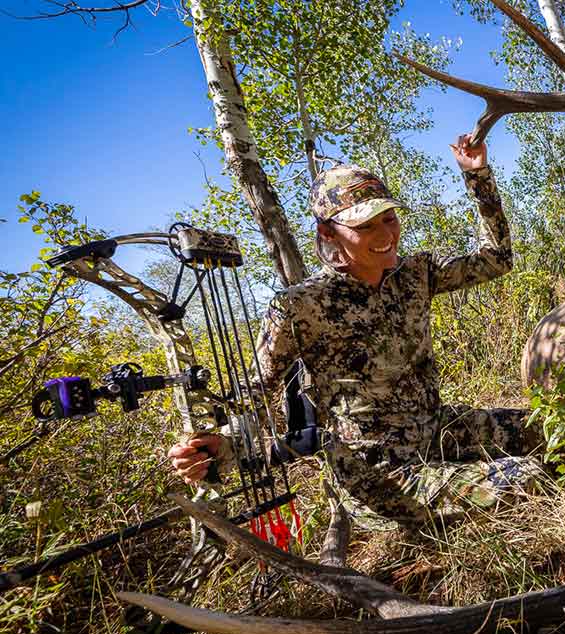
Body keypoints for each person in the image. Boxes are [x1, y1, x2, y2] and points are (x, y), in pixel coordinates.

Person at [167, 135, 544, 527]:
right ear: (329, 233)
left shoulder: (416, 273)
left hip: (438, 430)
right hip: (378, 474)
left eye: (389, 219)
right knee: (528, 479)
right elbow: (256, 394)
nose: (385, 236)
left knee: (551, 431)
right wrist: (221, 445)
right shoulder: (300, 306)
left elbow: (496, 260)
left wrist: (477, 176)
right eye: (365, 225)